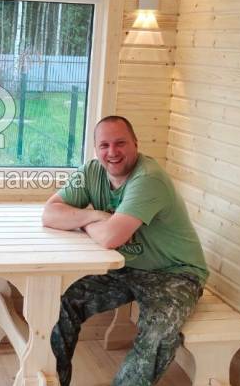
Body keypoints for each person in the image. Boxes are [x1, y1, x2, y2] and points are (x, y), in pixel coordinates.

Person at [42, 115, 208, 386]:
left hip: (175, 273)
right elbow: (49, 213)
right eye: (104, 145)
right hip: (124, 266)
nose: (112, 152)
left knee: (156, 333)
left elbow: (110, 238)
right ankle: (53, 381)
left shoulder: (148, 179)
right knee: (62, 302)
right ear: (96, 149)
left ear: (135, 144)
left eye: (120, 143)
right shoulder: (91, 172)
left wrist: (83, 222)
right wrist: (95, 216)